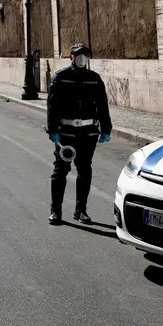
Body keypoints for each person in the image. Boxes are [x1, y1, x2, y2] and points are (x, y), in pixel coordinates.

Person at [46, 43, 112, 225]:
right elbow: (52, 105)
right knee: (60, 171)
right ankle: (55, 211)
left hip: (88, 133)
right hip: (66, 133)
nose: (83, 58)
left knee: (84, 170)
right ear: (72, 57)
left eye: (85, 55)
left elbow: (102, 105)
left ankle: (81, 210)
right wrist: (53, 129)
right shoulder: (61, 77)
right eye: (79, 55)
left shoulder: (94, 79)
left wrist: (106, 129)